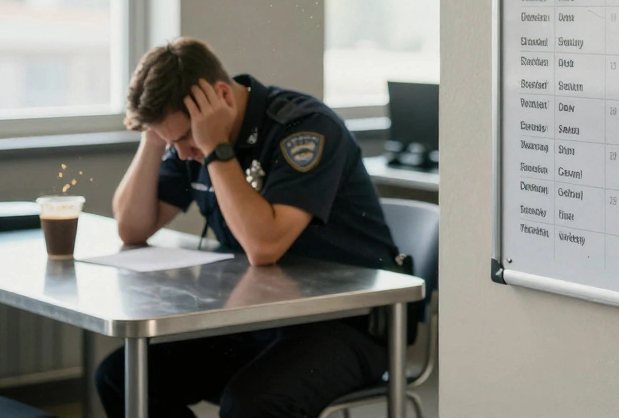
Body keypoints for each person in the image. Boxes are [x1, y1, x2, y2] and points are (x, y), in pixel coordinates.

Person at [96, 37, 400, 418]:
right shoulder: (186, 141)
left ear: (220, 95)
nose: (183, 153)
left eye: (183, 139)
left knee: (252, 404)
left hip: (344, 324)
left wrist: (215, 149)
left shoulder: (304, 128)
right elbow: (132, 228)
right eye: (172, 142)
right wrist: (155, 139)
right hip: (260, 317)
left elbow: (263, 246)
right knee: (122, 378)